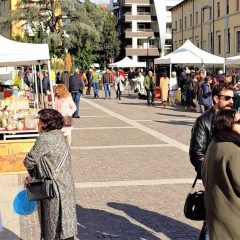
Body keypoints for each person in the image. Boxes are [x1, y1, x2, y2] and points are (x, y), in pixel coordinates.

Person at [189, 83, 234, 240]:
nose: (231, 102)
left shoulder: (232, 119)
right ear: (215, 99)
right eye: (227, 98)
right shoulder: (204, 121)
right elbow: (196, 153)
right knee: (211, 220)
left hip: (230, 176)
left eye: (233, 98)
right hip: (212, 178)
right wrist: (211, 172)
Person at [23, 109, 77, 240]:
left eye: (39, 121)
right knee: (66, 227)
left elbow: (29, 161)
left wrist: (31, 175)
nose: (37, 123)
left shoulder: (44, 139)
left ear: (45, 124)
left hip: (53, 189)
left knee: (53, 228)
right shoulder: (60, 135)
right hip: (66, 185)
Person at [202, 109, 240, 239]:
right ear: (228, 125)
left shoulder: (214, 143)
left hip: (216, 215)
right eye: (239, 122)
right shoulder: (234, 151)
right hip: (233, 219)